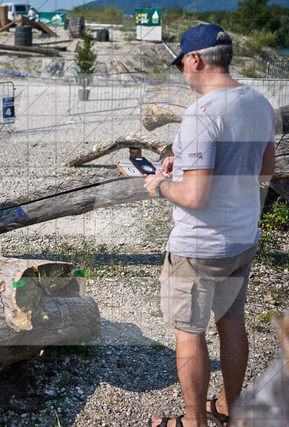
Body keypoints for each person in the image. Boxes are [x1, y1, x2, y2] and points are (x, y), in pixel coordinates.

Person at [144, 24, 276, 427]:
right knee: (231, 323)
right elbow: (264, 172)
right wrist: (184, 165)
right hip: (242, 238)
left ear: (196, 60)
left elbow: (195, 196)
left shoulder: (200, 114)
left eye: (182, 63)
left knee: (189, 332)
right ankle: (231, 408)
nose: (183, 71)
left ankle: (193, 421)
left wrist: (161, 184)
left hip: (198, 247)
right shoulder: (260, 103)